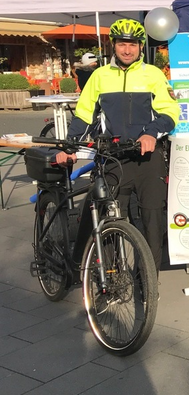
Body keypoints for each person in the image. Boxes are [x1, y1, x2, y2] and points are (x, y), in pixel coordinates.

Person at [55, 19, 179, 272]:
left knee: (153, 221)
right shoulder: (99, 76)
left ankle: (149, 279)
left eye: (132, 44)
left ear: (141, 46)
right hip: (112, 158)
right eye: (122, 44)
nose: (127, 50)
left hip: (147, 157)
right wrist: (68, 147)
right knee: (109, 220)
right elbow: (84, 114)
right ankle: (110, 279)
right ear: (113, 45)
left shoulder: (153, 75)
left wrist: (151, 133)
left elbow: (170, 113)